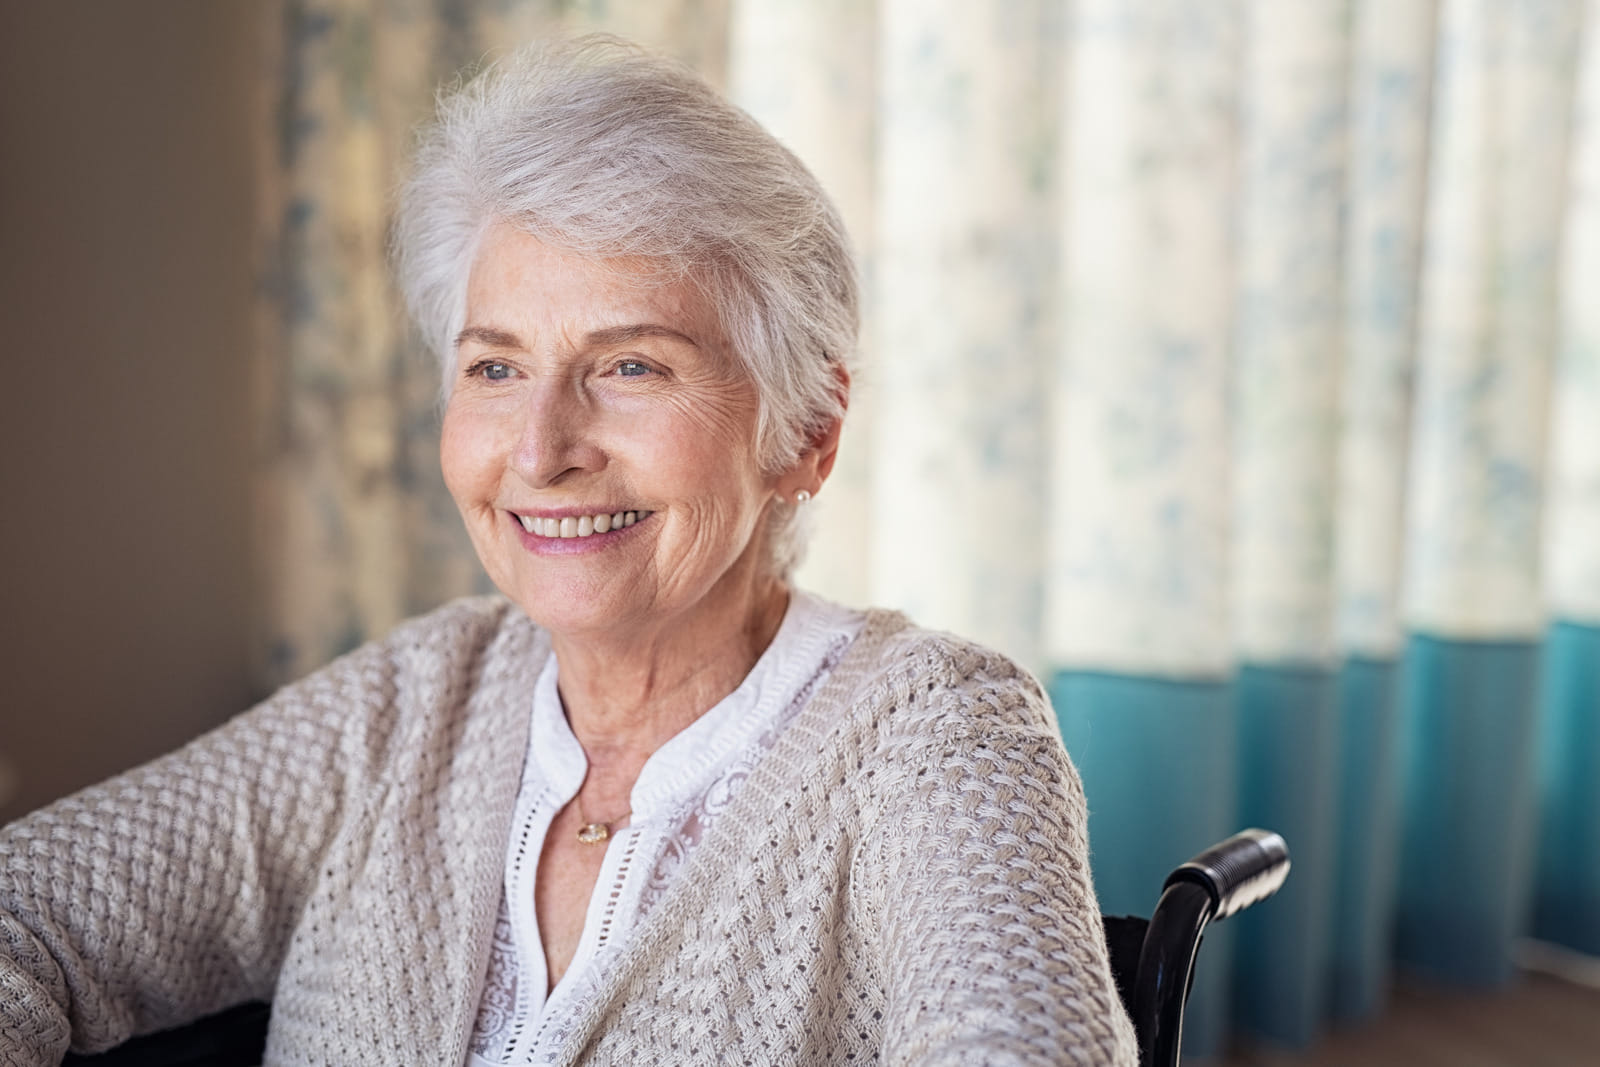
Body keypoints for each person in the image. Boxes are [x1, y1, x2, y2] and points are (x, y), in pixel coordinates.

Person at [0, 38, 1137, 1066]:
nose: (541, 450)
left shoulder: (940, 735)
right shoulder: (408, 704)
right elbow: (30, 913)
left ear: (805, 432)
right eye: (495, 367)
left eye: (631, 365)